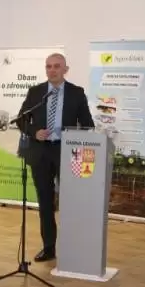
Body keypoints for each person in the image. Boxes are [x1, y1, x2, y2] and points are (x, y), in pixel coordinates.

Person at [17, 53, 95, 262]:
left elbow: (87, 124)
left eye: (56, 66)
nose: (52, 70)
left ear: (65, 69)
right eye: (48, 66)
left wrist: (72, 135)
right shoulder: (36, 92)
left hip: (66, 151)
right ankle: (49, 247)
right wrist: (34, 132)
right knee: (45, 202)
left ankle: (72, 247)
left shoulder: (76, 93)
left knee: (70, 201)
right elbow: (21, 119)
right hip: (40, 153)